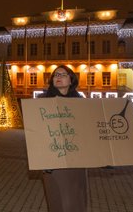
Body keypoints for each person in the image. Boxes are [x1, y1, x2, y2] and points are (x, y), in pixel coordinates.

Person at [39, 65, 88, 212]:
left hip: (76, 160)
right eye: (55, 75)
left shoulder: (80, 102)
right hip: (53, 160)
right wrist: (41, 157)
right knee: (59, 200)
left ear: (71, 79)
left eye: (63, 74)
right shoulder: (42, 102)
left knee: (76, 199)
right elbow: (36, 132)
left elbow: (88, 131)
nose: (58, 77)